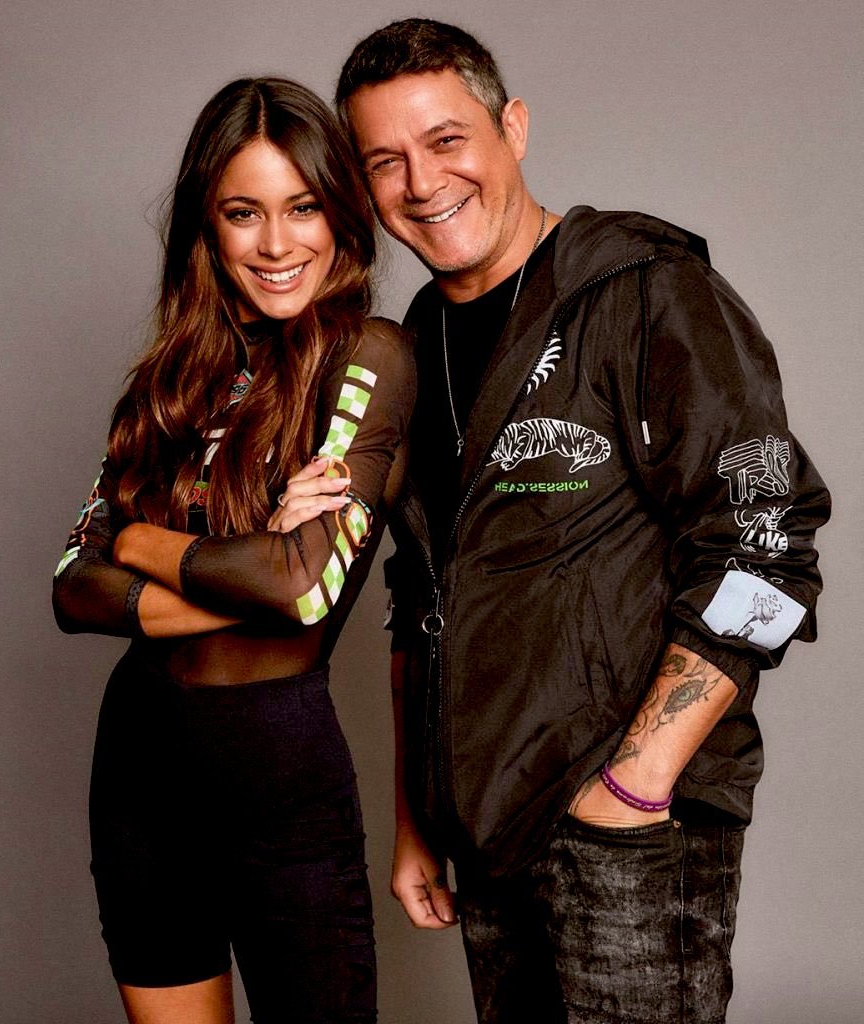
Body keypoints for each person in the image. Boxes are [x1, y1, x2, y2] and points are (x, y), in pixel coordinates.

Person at [331, 19, 831, 1024]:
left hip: (630, 824)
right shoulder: (412, 341)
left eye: (445, 140)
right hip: (484, 818)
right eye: (383, 161)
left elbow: (769, 547)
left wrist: (637, 781)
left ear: (512, 127)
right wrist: (416, 816)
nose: (421, 183)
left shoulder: (648, 290)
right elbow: (418, 590)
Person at [52, 76, 414, 1024]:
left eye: (303, 207)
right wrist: (247, 564)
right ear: (207, 229)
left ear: (340, 214)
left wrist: (138, 539)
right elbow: (72, 589)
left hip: (277, 774)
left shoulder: (368, 357)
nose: (276, 243)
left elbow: (297, 592)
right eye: (243, 213)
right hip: (138, 767)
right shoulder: (166, 384)